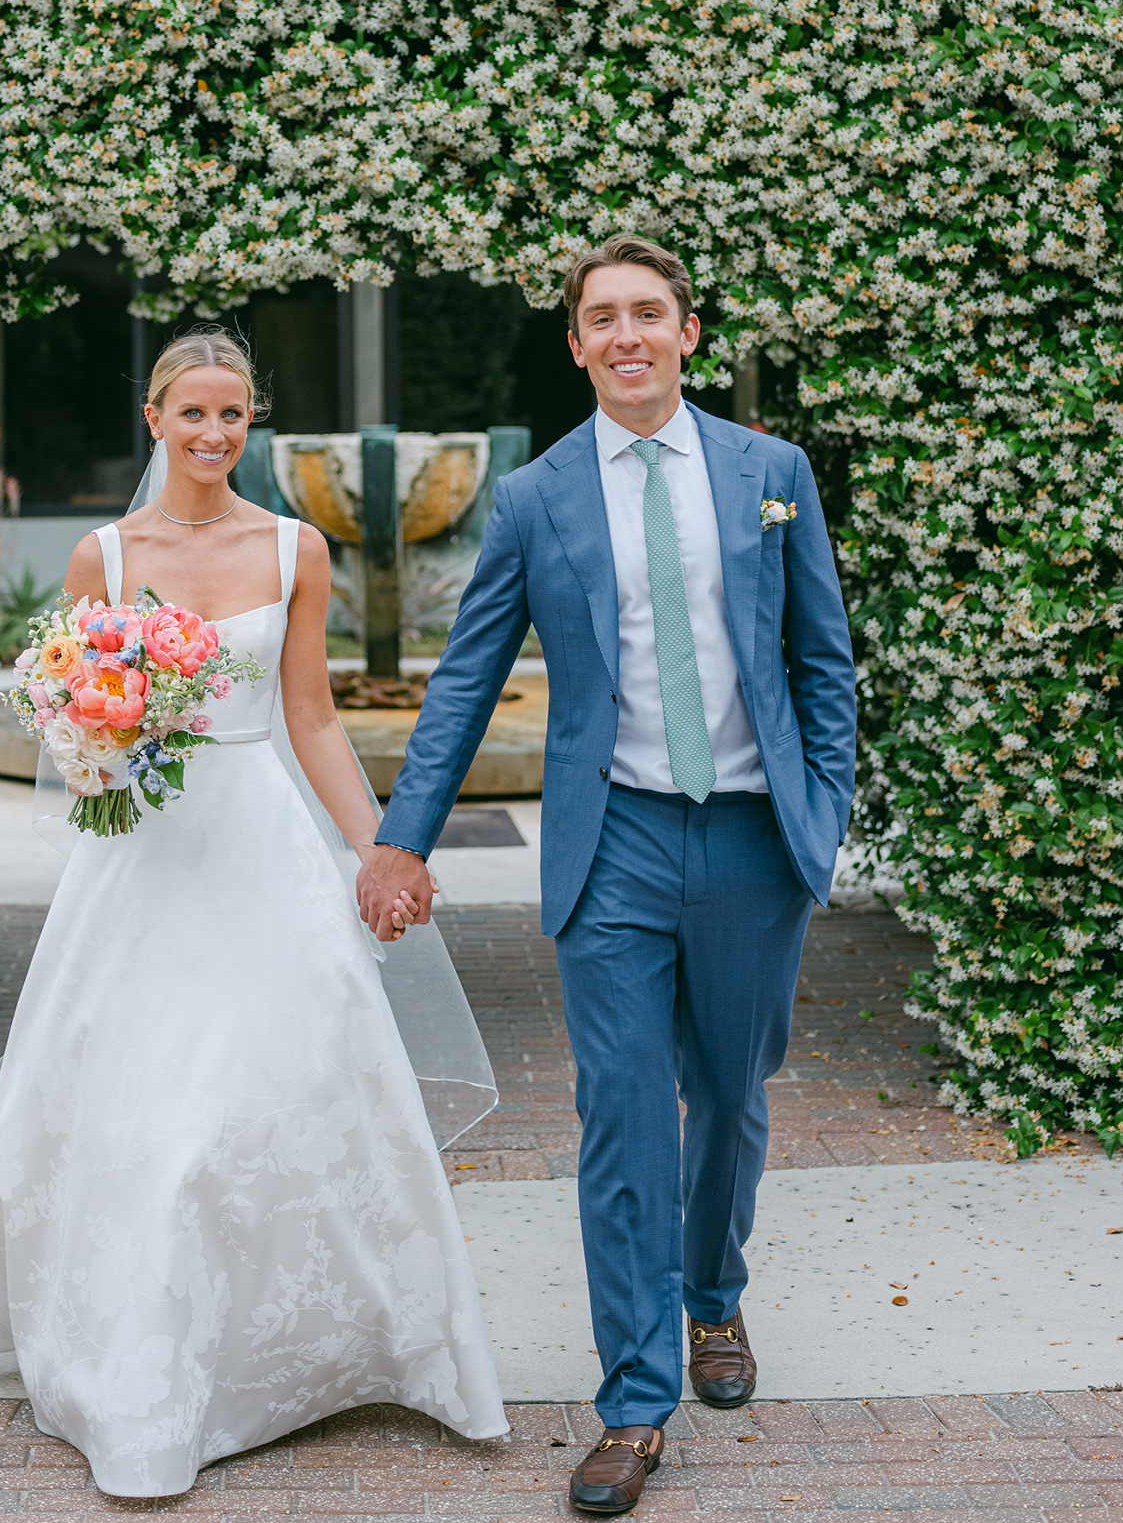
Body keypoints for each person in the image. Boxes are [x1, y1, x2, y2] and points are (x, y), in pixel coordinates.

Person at [0, 329, 506, 1498]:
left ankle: (330, 1347)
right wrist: (103, 739)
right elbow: (65, 735)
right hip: (141, 868)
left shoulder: (295, 547)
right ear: (154, 417)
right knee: (151, 1125)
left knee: (287, 1090)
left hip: (264, 851)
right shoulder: (103, 560)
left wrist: (379, 844)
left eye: (235, 417)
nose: (216, 435)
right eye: (195, 415)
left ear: (250, 424)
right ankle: (144, 1380)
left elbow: (314, 717)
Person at [357, 234, 857, 1517]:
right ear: (576, 344)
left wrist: (824, 811)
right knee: (621, 1115)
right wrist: (403, 834)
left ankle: (715, 1300)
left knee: (732, 1098)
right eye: (603, 319)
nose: (628, 335)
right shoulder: (535, 499)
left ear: (689, 334)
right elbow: (468, 673)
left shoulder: (772, 473)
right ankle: (634, 1403)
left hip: (752, 838)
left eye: (651, 313)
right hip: (614, 841)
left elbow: (822, 665)